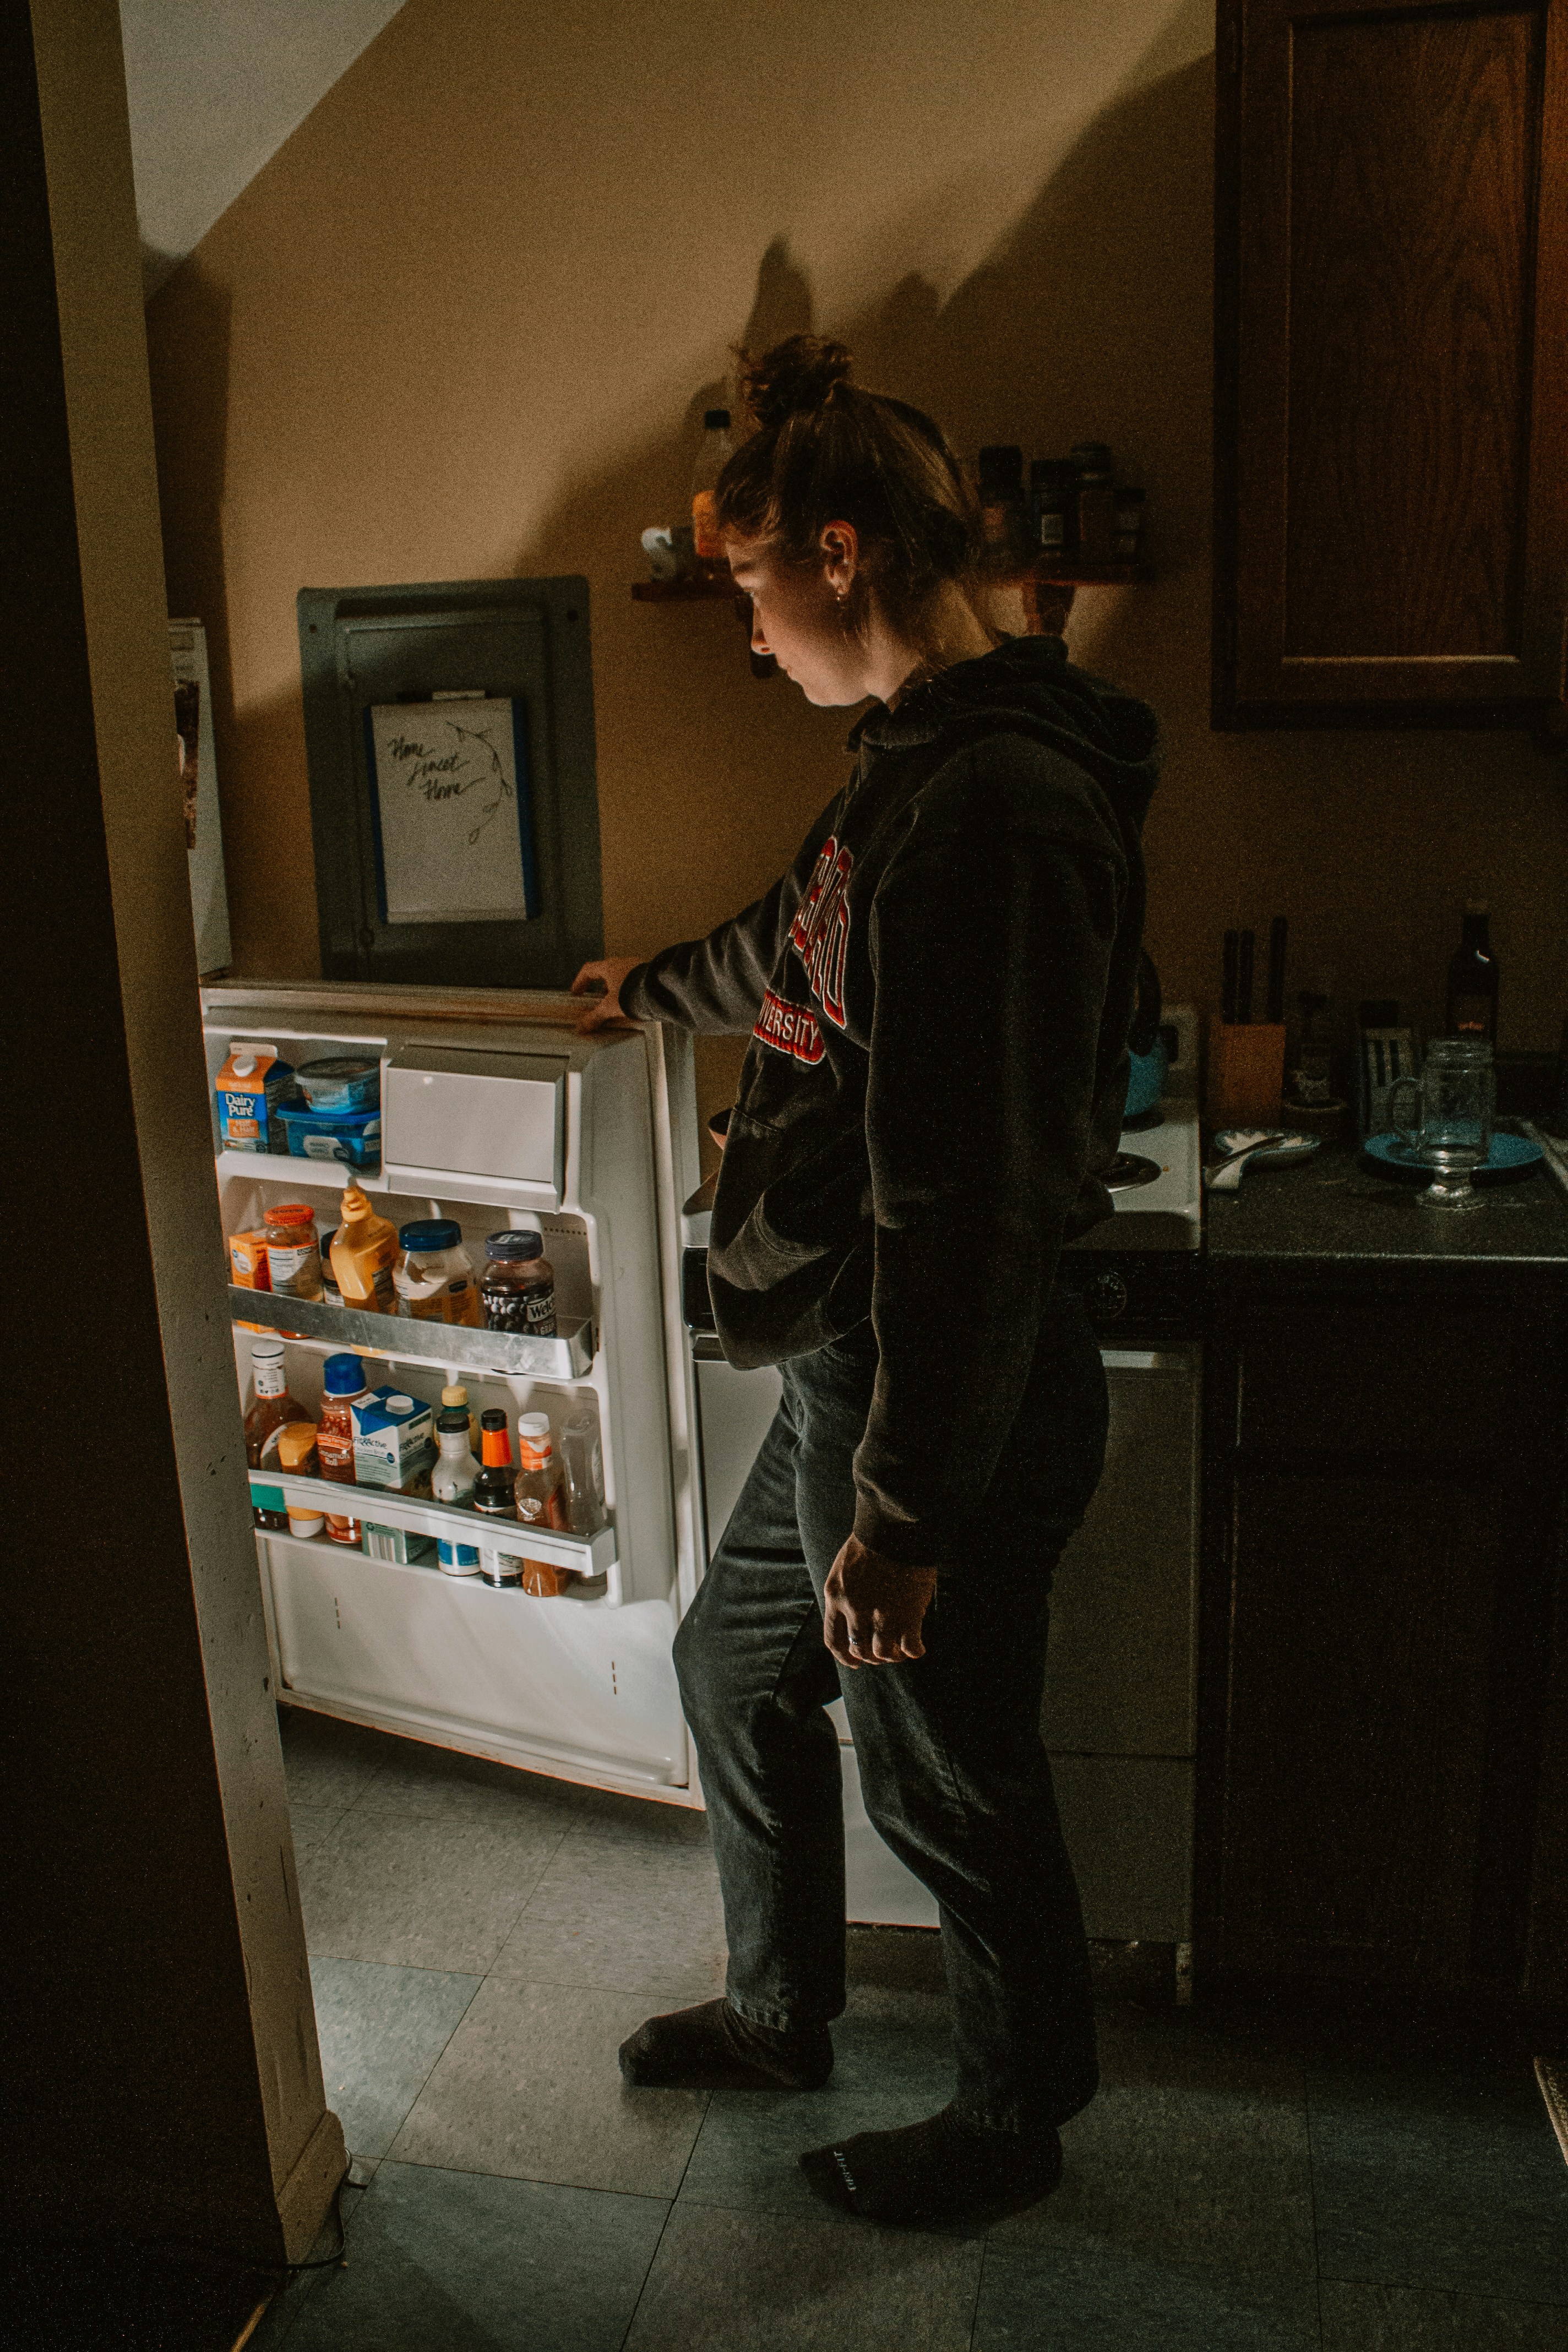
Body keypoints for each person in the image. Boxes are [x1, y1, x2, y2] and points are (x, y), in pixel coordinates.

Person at [573, 336, 1159, 2229]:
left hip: (939, 1393)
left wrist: (904, 1516)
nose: (751, 635)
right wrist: (648, 988)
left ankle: (1013, 2120)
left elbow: (972, 1203)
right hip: (854, 1371)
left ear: (837, 553)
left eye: (751, 590)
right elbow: (792, 950)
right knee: (733, 1671)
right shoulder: (909, 764)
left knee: (938, 1764)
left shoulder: (998, 803)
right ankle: (779, 2011)